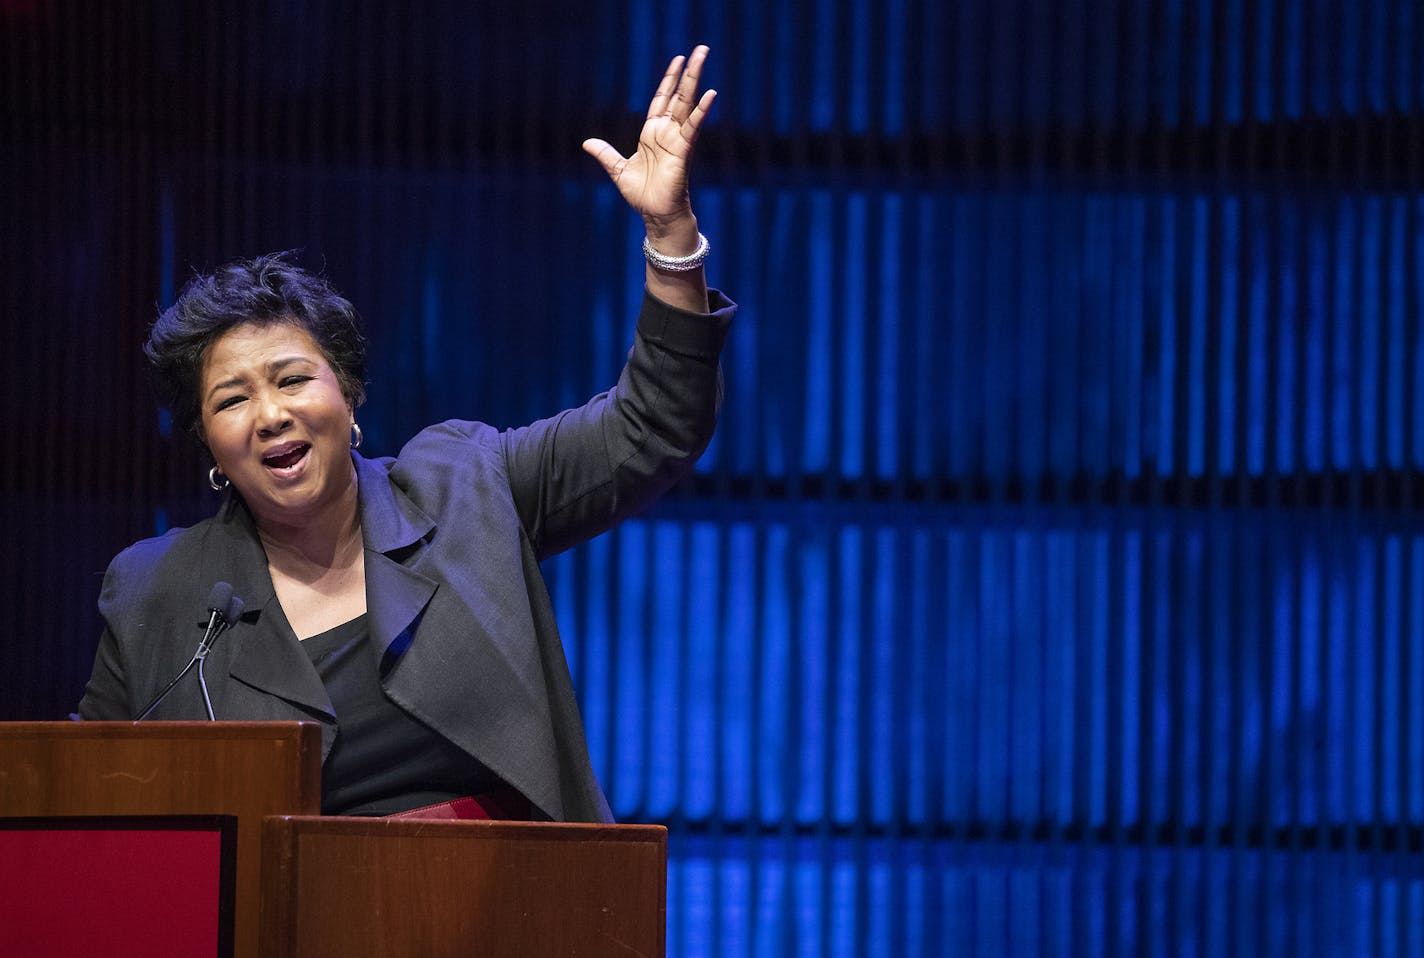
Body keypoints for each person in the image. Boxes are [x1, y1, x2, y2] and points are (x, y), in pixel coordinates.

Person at [77, 46, 734, 823]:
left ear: (348, 396)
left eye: (292, 380)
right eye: (231, 400)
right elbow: (93, 806)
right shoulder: (158, 594)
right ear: (206, 441)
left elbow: (651, 426)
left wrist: (670, 235)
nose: (270, 414)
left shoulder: (466, 487)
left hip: (516, 913)